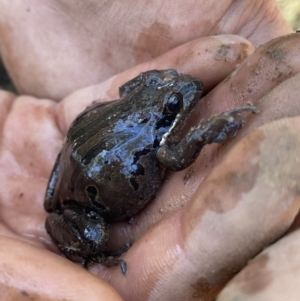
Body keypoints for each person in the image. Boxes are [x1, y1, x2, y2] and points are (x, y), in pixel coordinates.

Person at [0, 0, 299, 300]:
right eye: (174, 105)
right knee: (96, 236)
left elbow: (126, 91)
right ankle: (90, 254)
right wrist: (205, 133)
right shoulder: (163, 146)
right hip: (84, 203)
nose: (187, 88)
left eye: (161, 82)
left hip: (75, 163)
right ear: (165, 117)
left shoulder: (139, 108)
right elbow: (177, 156)